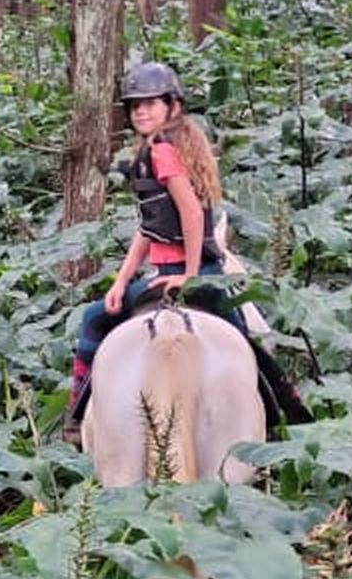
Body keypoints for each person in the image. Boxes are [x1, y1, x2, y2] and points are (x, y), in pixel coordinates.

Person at [62, 62, 312, 446]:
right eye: (135, 106)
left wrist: (189, 275)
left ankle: (76, 418)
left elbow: (193, 214)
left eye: (151, 103)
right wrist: (122, 280)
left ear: (172, 106)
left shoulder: (161, 152)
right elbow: (150, 227)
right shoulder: (165, 149)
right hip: (187, 271)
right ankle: (281, 415)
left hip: (190, 272)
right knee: (247, 343)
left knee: (94, 320)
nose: (141, 111)